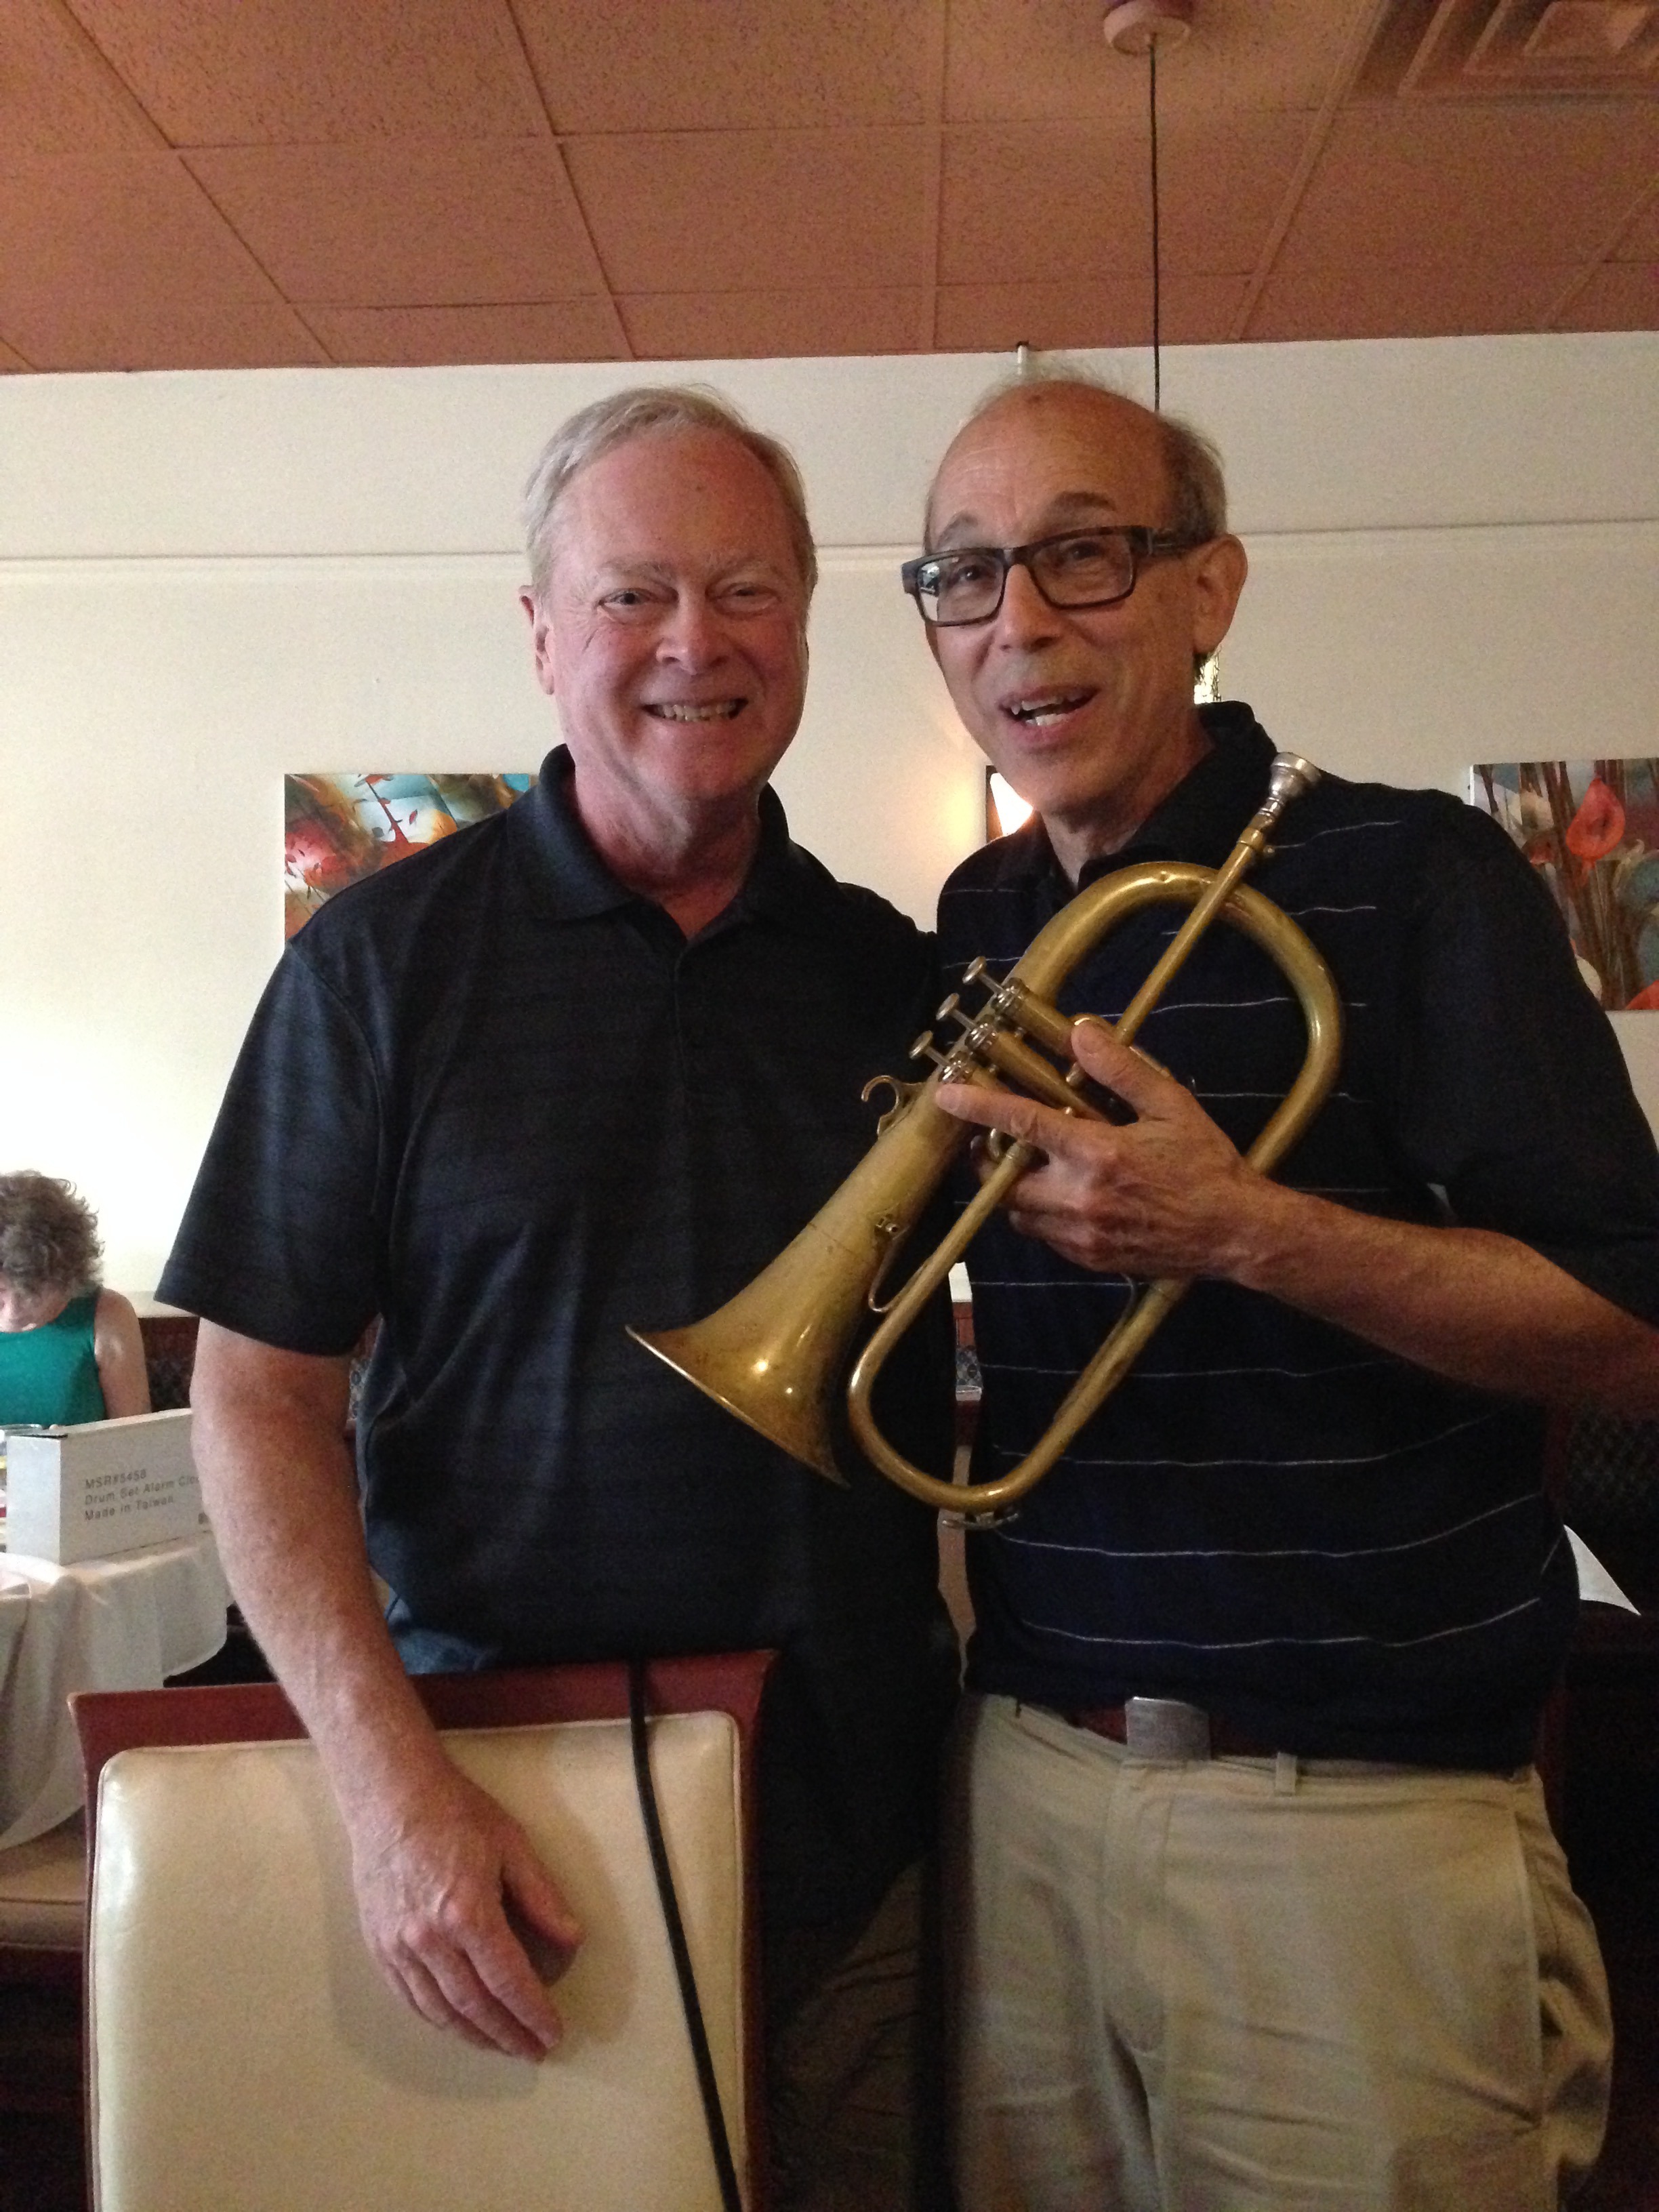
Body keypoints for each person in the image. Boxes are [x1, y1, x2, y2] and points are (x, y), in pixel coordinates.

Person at [159, 387, 956, 2210]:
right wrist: (389, 1790)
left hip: (856, 1820)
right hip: (507, 1811)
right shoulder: (377, 971)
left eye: (749, 589)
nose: (698, 642)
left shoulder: (888, 978)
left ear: (808, 627)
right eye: (634, 593)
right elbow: (259, 1399)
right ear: (540, 635)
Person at [905, 372, 1659, 2212]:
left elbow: (1634, 1328)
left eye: (1083, 555)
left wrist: (1246, 1228)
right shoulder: (980, 916)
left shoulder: (1414, 873)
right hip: (1027, 1791)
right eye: (967, 574)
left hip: (1360, 1824)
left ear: (1210, 588)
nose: (1021, 621)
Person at [0, 1170, 150, 1426]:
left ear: (68, 1278)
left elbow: (135, 1444)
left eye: (33, 1293)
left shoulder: (107, 1315)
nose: (13, 1313)